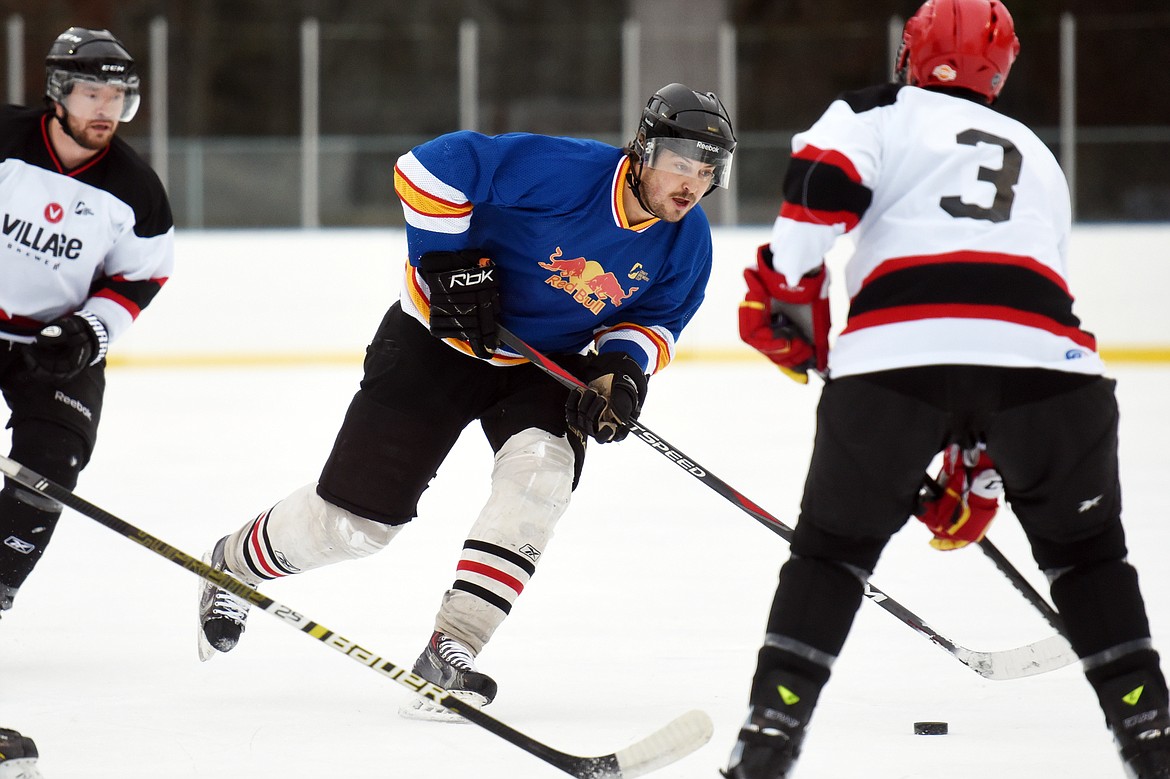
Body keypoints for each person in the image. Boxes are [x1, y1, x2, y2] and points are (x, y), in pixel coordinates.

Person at [724, 0, 1170, 776]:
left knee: (830, 556)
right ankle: (1152, 733)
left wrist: (786, 286)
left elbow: (819, 190)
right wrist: (980, 463)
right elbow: (1016, 313)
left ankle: (770, 732)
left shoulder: (877, 110)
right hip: (1051, 373)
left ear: (910, 52)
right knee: (1090, 560)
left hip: (893, 363)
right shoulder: (1036, 150)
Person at [197, 84, 736, 718]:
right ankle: (234, 562)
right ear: (644, 149)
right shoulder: (566, 171)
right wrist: (444, 264)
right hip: (433, 341)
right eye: (680, 163)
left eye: (706, 171)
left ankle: (451, 651)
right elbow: (425, 168)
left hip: (541, 365)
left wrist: (622, 371)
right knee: (357, 528)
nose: (690, 184)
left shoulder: (686, 243)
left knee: (543, 477)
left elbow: (656, 319)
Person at [0, 28, 174, 618]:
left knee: (53, 462)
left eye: (117, 97)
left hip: (52, 345)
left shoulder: (137, 190)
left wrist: (88, 333)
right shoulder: (4, 139)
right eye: (91, 94)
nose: (106, 109)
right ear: (58, 92)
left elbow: (140, 279)